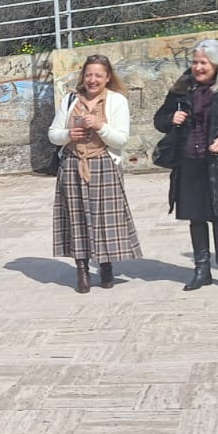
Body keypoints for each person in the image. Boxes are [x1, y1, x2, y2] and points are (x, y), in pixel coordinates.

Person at [153, 39, 218, 291]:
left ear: (216, 64)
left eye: (203, 63)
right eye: (195, 62)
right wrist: (170, 118)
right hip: (189, 162)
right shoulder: (181, 88)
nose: (198, 67)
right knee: (195, 218)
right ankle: (201, 270)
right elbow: (159, 120)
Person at [46, 54, 142, 293]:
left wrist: (100, 126)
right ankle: (81, 270)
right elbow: (52, 133)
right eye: (89, 74)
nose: (93, 79)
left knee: (104, 219)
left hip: (103, 164)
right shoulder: (70, 100)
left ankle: (106, 265)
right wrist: (69, 134)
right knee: (76, 218)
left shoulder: (116, 101)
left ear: (107, 77)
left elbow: (121, 138)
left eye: (98, 75)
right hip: (72, 165)